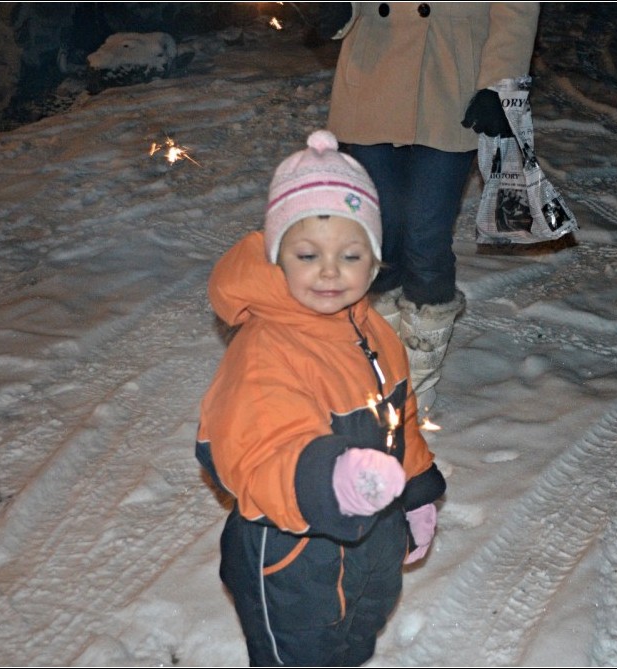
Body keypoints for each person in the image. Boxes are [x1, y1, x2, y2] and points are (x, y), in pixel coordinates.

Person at [195, 130, 447, 665]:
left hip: (373, 534)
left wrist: (416, 490)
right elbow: (259, 452)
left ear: (374, 263)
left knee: (358, 630)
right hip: (291, 549)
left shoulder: (374, 332)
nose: (330, 271)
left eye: (350, 255)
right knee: (302, 653)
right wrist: (331, 481)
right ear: (277, 259)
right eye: (308, 254)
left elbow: (399, 417)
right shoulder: (266, 350)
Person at [318, 2, 541, 409]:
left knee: (425, 234)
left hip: (453, 77)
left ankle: (416, 382)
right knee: (378, 233)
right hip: (374, 66)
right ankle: (381, 368)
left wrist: (500, 81)